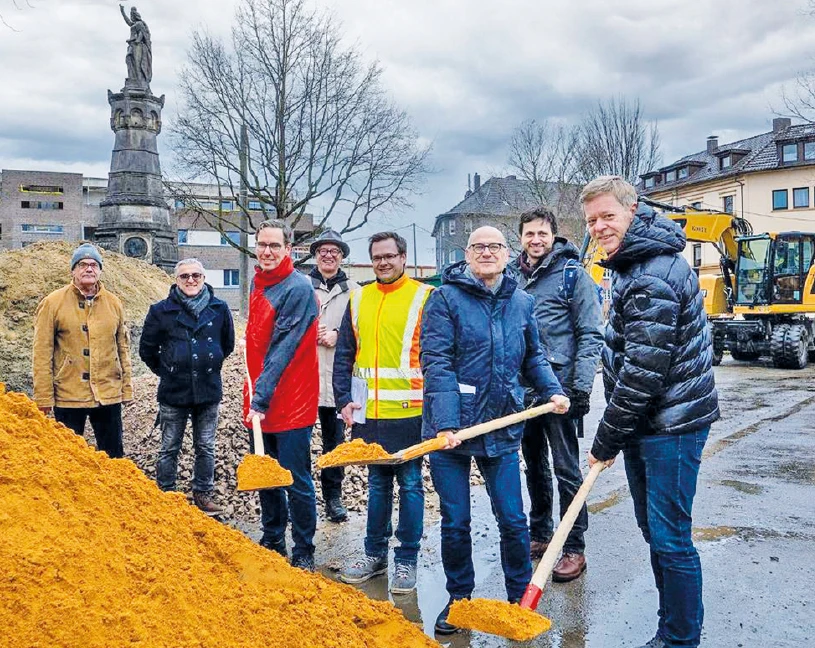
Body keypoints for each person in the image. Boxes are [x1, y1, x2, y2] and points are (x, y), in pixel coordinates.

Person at [581, 176, 719, 648]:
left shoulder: (651, 274)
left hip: (671, 426)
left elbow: (643, 371)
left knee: (670, 539)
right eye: (592, 220)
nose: (599, 227)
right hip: (649, 423)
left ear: (633, 210)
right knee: (656, 533)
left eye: (607, 217)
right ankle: (671, 629)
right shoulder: (630, 264)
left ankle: (679, 639)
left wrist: (605, 442)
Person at [420, 226, 570, 635]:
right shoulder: (444, 299)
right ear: (466, 254)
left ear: (508, 253)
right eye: (478, 247)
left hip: (502, 425)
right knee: (455, 521)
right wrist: (449, 423)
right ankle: (459, 599)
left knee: (513, 518)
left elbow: (534, 357)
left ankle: (519, 596)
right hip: (450, 431)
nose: (487, 252)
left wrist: (552, 390)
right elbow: (436, 363)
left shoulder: (521, 302)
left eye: (495, 246)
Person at [333, 232, 432, 595]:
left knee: (409, 485)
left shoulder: (424, 297)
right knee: (377, 486)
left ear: (403, 257)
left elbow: (437, 356)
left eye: (390, 256)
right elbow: (345, 353)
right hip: (369, 413)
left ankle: (407, 557)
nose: (384, 262)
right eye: (377, 257)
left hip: (410, 412)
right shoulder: (358, 298)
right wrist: (343, 398)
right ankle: (374, 555)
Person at [511, 207, 603, 580]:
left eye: (542, 234)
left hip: (560, 390)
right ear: (521, 237)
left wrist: (581, 387)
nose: (536, 240)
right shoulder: (511, 276)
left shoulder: (572, 276)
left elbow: (590, 333)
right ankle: (541, 532)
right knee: (533, 465)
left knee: (566, 468)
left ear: (553, 236)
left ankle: (574, 546)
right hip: (524, 391)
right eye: (530, 234)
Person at [244, 219, 320, 572]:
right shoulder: (258, 284)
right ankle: (273, 536)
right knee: (266, 474)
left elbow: (283, 349)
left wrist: (259, 399)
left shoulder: (298, 289)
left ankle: (304, 547)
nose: (267, 251)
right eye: (262, 245)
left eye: (275, 246)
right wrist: (255, 398)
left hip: (291, 401)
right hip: (260, 398)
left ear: (289, 249)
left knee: (294, 477)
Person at [139, 258, 235, 516]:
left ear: (204, 278)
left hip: (208, 390)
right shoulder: (160, 311)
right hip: (174, 392)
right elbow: (147, 350)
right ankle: (167, 493)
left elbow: (227, 345)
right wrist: (168, 369)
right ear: (176, 280)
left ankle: (203, 492)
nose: (190, 280)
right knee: (169, 444)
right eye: (184, 276)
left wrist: (209, 363)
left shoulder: (219, 308)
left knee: (206, 445)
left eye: (195, 275)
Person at [33, 242, 132, 458]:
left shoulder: (114, 303)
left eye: (94, 265)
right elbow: (42, 353)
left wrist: (126, 389)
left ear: (100, 270)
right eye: (82, 264)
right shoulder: (52, 303)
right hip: (68, 394)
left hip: (107, 394)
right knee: (67, 458)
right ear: (73, 270)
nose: (89, 269)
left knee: (114, 456)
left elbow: (123, 348)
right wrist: (43, 398)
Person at [308, 229, 360, 523]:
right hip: (305, 378)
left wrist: (339, 335)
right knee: (299, 441)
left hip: (339, 379)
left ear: (342, 256)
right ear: (316, 256)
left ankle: (333, 497)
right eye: (323, 251)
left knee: (335, 442)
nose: (329, 256)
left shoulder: (355, 290)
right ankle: (301, 496)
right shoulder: (302, 287)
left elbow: (362, 327)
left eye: (335, 251)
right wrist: (309, 333)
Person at [119, 4, 152, 86]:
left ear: (135, 15)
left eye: (131, 15)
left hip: (138, 46)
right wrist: (122, 12)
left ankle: (138, 80)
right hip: (132, 45)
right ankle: (132, 78)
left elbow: (142, 33)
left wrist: (137, 40)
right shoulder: (134, 24)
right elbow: (128, 22)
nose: (131, 17)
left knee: (137, 63)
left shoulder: (140, 24)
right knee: (129, 59)